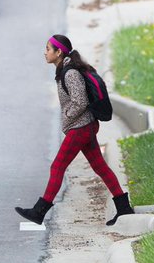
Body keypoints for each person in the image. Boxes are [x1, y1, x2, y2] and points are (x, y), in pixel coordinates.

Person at [15, 35, 134, 226]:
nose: (45, 52)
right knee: (99, 166)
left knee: (57, 166)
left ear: (58, 52)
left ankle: (39, 212)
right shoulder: (65, 70)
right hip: (84, 126)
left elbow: (80, 101)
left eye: (48, 49)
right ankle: (123, 208)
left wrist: (67, 115)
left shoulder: (70, 74)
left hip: (81, 127)